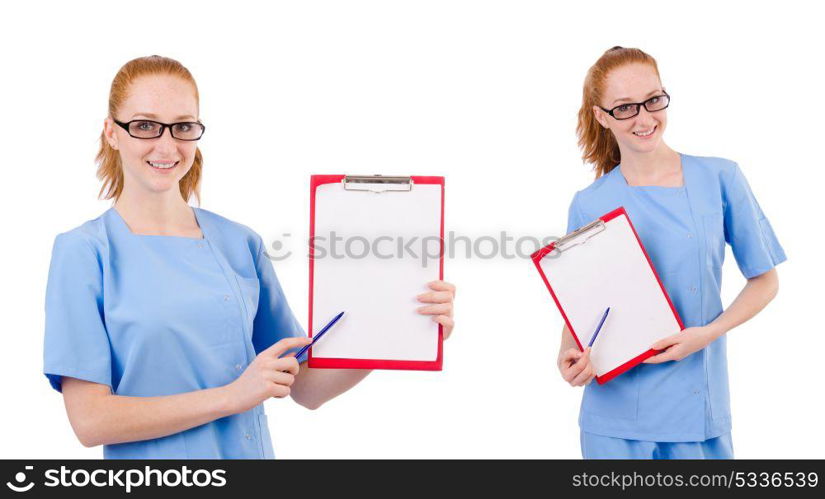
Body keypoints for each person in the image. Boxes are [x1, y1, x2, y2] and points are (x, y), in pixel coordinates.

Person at [43, 55, 456, 459]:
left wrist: (403, 326)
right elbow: (91, 421)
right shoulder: (85, 252)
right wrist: (231, 397)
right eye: (145, 126)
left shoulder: (238, 243)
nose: (167, 145)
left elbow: (306, 388)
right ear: (111, 133)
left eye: (183, 127)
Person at [556, 47, 785, 459]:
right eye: (625, 108)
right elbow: (583, 306)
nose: (645, 119)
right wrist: (568, 355)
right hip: (613, 422)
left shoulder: (719, 177)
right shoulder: (589, 203)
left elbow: (765, 281)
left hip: (696, 411)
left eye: (653, 100)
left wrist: (708, 334)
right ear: (601, 116)